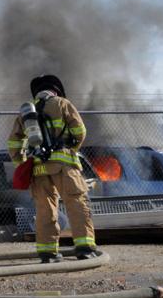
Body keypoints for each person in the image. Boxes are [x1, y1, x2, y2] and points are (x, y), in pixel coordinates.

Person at [7, 73, 102, 262]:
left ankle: (47, 253)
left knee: (45, 209)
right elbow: (80, 131)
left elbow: (14, 143)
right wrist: (71, 149)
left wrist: (22, 163)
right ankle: (84, 248)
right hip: (64, 167)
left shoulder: (26, 113)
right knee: (76, 204)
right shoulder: (62, 104)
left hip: (39, 169)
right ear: (55, 90)